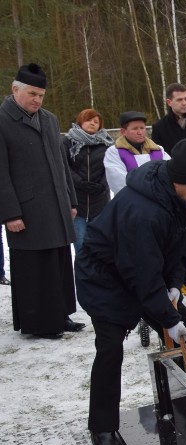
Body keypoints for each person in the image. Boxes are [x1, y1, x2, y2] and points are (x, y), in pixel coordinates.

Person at [75, 140, 186, 445]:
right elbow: (141, 273)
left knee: (184, 334)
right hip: (105, 278)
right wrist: (166, 316)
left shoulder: (185, 198)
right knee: (110, 348)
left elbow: (184, 244)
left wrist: (175, 286)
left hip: (143, 272)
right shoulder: (142, 210)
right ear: (178, 182)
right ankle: (103, 428)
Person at [0, 63, 85, 339]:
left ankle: (61, 315)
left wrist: (71, 200)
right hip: (25, 210)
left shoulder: (49, 119)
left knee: (58, 264)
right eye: (32, 94)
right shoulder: (2, 120)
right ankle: (38, 323)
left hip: (56, 206)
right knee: (34, 268)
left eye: (41, 95)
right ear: (15, 90)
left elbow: (62, 164)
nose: (37, 100)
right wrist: (10, 213)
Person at [64, 108, 114, 253]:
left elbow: (111, 166)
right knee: (80, 247)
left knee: (101, 246)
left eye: (96, 121)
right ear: (80, 121)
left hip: (100, 203)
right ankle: (82, 275)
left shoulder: (107, 143)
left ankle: (100, 276)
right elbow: (64, 166)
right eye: (89, 119)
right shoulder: (68, 142)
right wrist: (79, 183)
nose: (92, 123)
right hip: (77, 203)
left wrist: (102, 185)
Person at [104, 111, 171, 195]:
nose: (140, 132)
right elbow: (118, 181)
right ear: (123, 131)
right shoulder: (114, 152)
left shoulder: (158, 150)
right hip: (131, 202)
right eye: (135, 129)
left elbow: (170, 173)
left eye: (142, 128)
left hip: (161, 200)